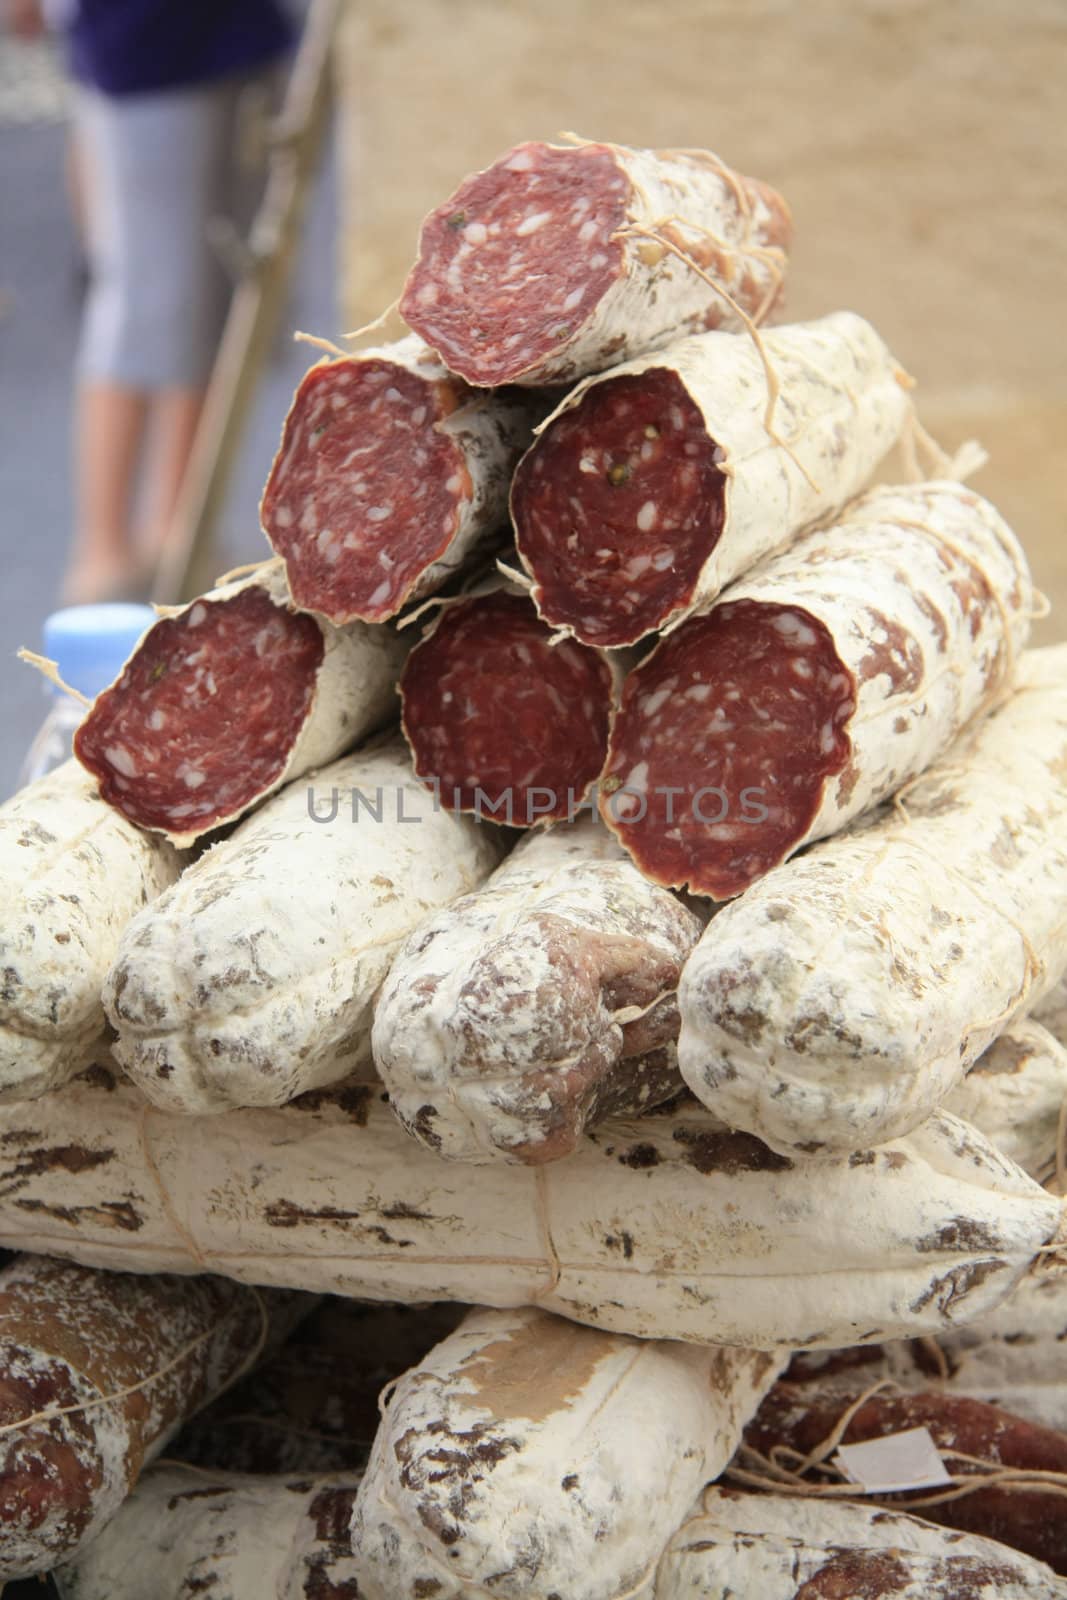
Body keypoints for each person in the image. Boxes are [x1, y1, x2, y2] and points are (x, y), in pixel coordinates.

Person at [5, 0, 296, 602]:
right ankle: (103, 552)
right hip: (137, 43)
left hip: (235, 31)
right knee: (150, 295)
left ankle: (177, 528)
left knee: (218, 292)